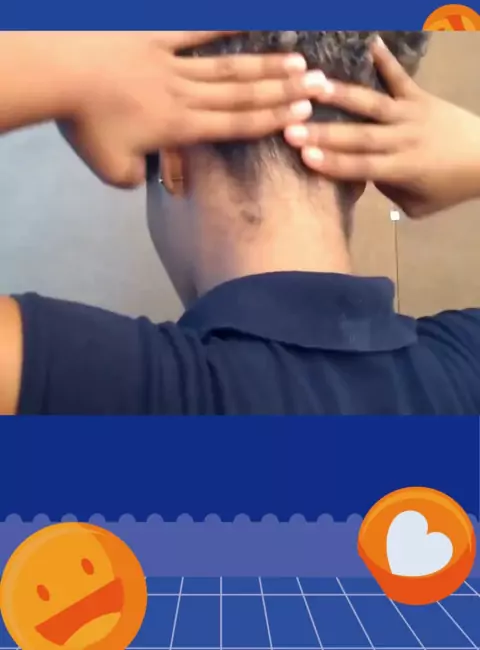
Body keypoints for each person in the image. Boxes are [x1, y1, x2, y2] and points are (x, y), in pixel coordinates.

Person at [0, 30, 480, 415]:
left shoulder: (121, 391)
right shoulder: (462, 375)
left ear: (173, 162)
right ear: (361, 175)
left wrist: (74, 67)